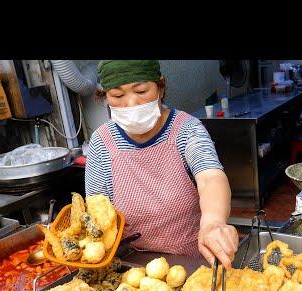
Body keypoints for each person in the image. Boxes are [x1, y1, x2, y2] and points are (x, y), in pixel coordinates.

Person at [85, 60, 238, 268]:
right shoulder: (102, 143)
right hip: (133, 265)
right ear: (105, 97)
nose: (131, 104)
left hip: (193, 262)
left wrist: (213, 223)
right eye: (118, 96)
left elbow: (210, 177)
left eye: (141, 91)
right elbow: (96, 211)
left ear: (160, 87)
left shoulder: (186, 130)